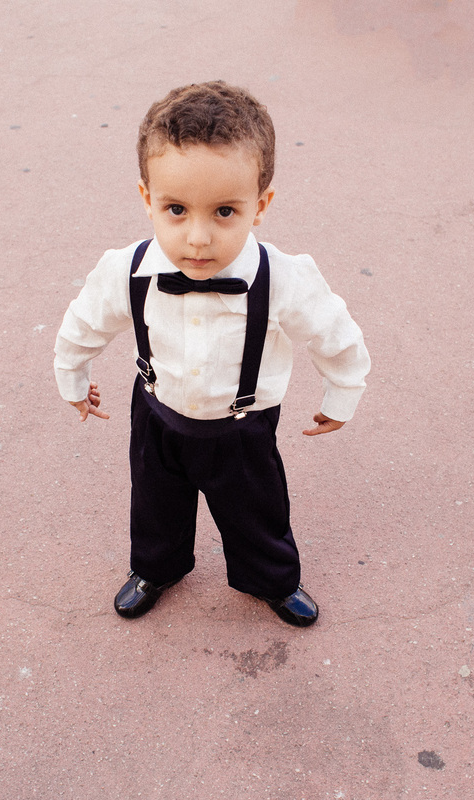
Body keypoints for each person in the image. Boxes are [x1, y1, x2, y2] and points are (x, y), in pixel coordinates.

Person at [54, 81, 370, 626]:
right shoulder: (127, 270)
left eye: (224, 211)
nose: (198, 238)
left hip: (242, 427)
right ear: (147, 199)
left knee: (257, 511)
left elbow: (336, 335)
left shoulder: (284, 280)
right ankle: (156, 568)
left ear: (260, 206)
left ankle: (272, 579)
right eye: (176, 209)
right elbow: (83, 324)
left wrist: (341, 395)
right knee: (154, 504)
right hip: (158, 414)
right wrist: (74, 379)